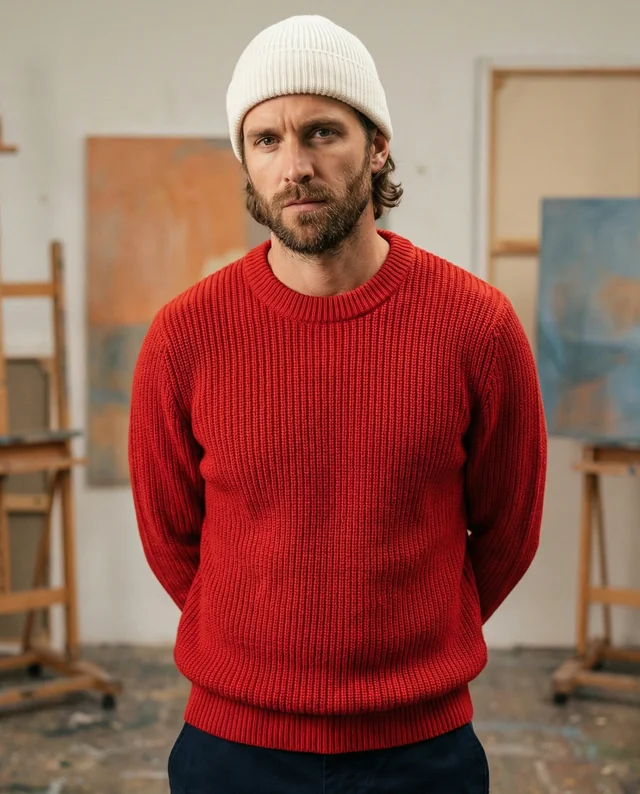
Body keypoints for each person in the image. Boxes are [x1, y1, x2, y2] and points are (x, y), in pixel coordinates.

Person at [128, 14, 547, 794]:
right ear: (245, 159)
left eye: (322, 132)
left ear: (377, 145)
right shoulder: (185, 335)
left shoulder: (476, 326)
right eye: (266, 140)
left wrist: (413, 646)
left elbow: (509, 529)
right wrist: (259, 644)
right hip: (233, 748)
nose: (294, 167)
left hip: (420, 750)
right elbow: (169, 535)